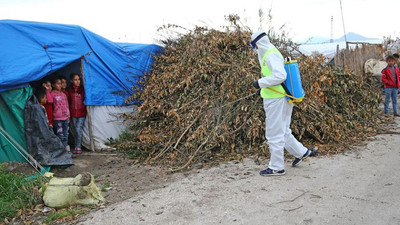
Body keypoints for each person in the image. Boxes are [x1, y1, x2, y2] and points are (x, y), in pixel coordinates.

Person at [250, 31, 317, 176]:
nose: (253, 49)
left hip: (276, 99)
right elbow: (273, 77)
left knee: (274, 133)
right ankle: (302, 152)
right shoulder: (270, 52)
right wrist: (262, 88)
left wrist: (259, 83)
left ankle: (276, 167)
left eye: (253, 45)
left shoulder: (270, 54)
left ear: (258, 43)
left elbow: (280, 76)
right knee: (284, 130)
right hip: (280, 96)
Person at [66, 73, 87, 154]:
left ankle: (78, 146)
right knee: (75, 130)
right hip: (73, 113)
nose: (77, 81)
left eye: (78, 79)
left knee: (78, 129)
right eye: (75, 80)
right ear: (71, 81)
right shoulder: (69, 90)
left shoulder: (83, 89)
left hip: (82, 112)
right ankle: (76, 146)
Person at [50, 77, 71, 150]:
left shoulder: (63, 94)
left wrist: (68, 116)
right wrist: (47, 91)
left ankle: (66, 150)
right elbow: (49, 101)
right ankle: (61, 150)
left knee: (66, 134)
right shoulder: (52, 94)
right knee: (60, 134)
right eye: (58, 84)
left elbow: (67, 105)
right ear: (53, 85)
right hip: (57, 118)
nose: (60, 85)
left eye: (60, 84)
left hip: (65, 117)